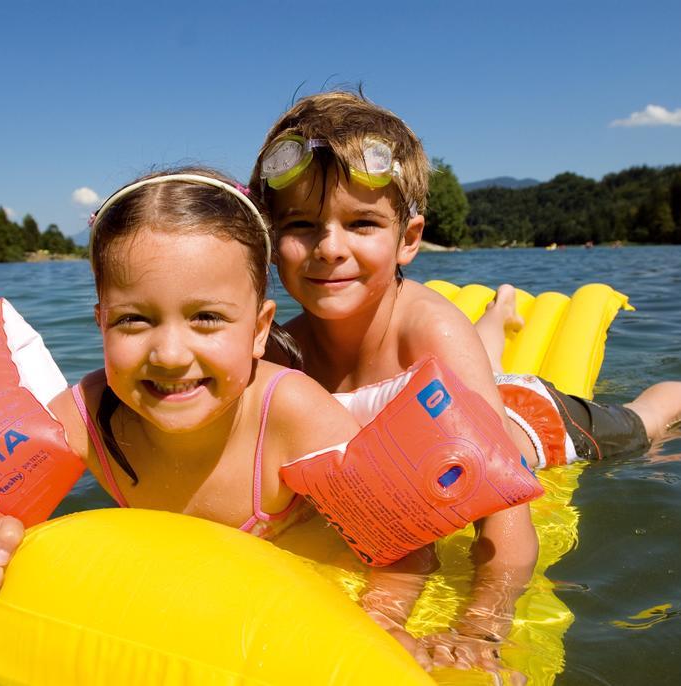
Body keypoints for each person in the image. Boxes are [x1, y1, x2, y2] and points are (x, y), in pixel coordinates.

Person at [0, 168, 361, 615]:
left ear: (259, 330)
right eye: (133, 320)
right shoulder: (87, 417)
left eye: (206, 317)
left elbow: (401, 547)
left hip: (299, 593)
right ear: (101, 324)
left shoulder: (292, 415)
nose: (168, 355)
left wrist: (386, 615)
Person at [249, 91, 540, 671]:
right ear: (270, 243)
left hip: (535, 422)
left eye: (362, 223)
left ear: (408, 239)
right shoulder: (281, 349)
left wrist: (482, 626)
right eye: (302, 225)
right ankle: (498, 318)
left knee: (639, 422)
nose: (330, 249)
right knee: (468, 368)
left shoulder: (429, 330)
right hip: (409, 433)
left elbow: (507, 514)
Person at [476, 283, 681, 464]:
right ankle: (499, 310)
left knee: (647, 418)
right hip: (483, 391)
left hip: (541, 422)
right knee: (482, 362)